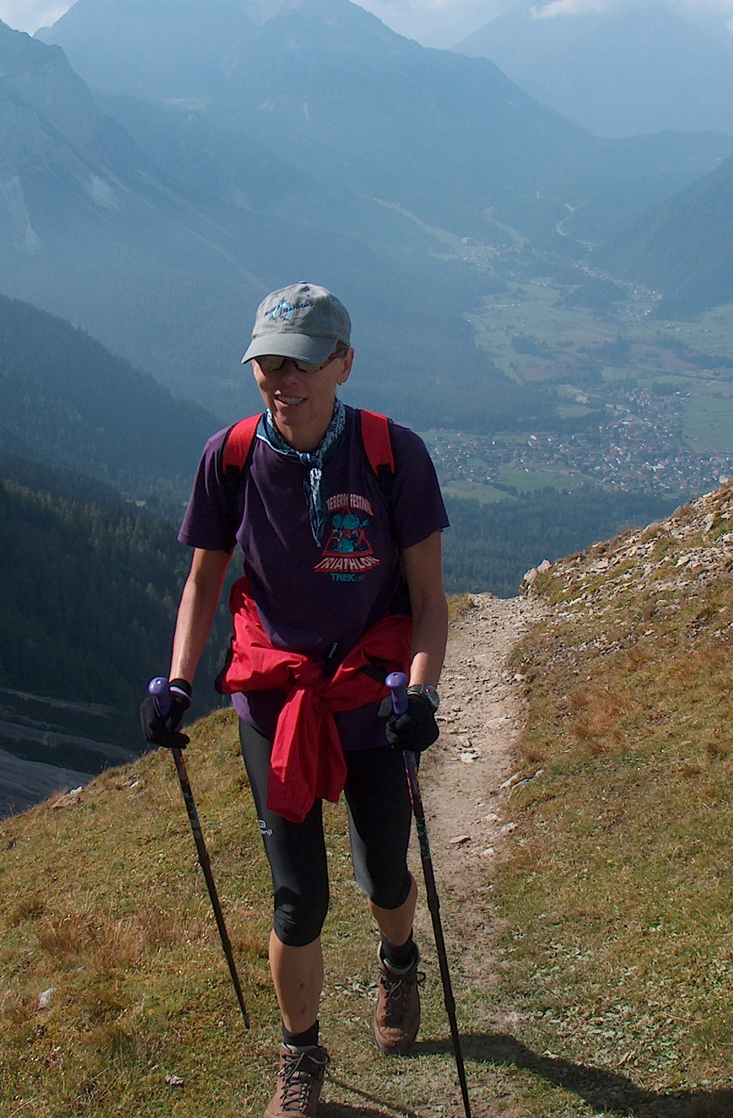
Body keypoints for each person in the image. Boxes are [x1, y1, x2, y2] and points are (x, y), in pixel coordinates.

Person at [141, 283, 449, 1118]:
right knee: (296, 896)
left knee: (386, 872)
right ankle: (301, 1054)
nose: (284, 378)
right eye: (269, 362)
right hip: (276, 703)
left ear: (343, 362)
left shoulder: (393, 454)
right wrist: (176, 678)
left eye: (305, 360)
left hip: (372, 699)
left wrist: (419, 695)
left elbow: (427, 599)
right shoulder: (231, 456)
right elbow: (204, 582)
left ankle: (398, 963)